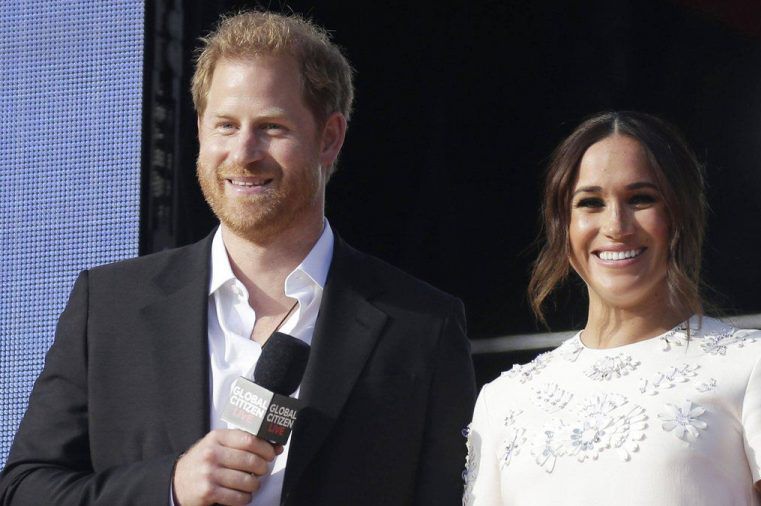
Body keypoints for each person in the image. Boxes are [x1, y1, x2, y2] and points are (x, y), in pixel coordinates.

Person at [0, 11, 475, 506]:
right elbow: (23, 490)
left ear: (329, 137)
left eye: (271, 127)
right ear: (201, 130)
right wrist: (170, 485)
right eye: (226, 125)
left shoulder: (420, 325)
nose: (244, 153)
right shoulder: (110, 306)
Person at [462, 111, 761, 505]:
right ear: (562, 225)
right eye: (590, 203)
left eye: (640, 199)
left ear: (681, 214)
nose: (616, 225)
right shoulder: (504, 399)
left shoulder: (759, 366)